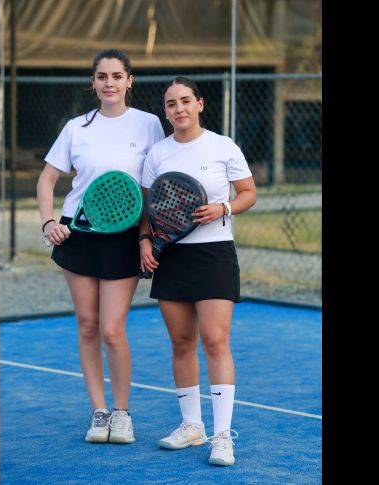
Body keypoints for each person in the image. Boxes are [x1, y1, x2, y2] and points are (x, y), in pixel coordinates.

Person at [37, 49, 165, 444]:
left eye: (116, 75)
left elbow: (157, 181)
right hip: (78, 234)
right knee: (88, 325)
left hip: (124, 238)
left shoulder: (149, 125)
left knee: (112, 330)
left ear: (130, 81)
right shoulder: (76, 127)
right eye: (101, 76)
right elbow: (47, 180)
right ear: (92, 82)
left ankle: (122, 413)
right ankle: (98, 412)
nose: (109, 83)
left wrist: (150, 234)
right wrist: (47, 222)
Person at [139, 76, 257, 466]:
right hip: (171, 256)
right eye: (171, 104)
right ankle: (193, 426)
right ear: (166, 110)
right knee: (181, 342)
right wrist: (145, 241)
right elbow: (148, 207)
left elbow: (248, 193)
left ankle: (222, 436)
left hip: (215, 253)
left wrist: (223, 209)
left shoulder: (223, 146)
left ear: (200, 103)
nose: (179, 109)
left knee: (215, 340)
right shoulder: (157, 153)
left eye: (186, 101)